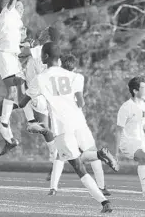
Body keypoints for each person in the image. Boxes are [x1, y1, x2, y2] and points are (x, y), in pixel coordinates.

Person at [18, 42, 119, 213]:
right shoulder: (75, 76)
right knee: (82, 157)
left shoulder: (41, 78)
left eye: (42, 55)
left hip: (62, 127)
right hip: (79, 122)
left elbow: (22, 103)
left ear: (46, 57)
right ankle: (99, 154)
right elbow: (80, 101)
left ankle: (104, 202)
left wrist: (20, 84)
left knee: (78, 166)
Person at [0, 0, 44, 156]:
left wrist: (31, 44)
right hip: (5, 54)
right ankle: (4, 125)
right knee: (13, 91)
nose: (20, 8)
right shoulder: (7, 13)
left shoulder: (18, 24)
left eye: (22, 7)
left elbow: (23, 45)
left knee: (22, 94)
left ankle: (10, 136)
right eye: (19, 6)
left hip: (12, 56)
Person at [47, 54, 111, 197]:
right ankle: (102, 186)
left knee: (60, 156)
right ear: (74, 66)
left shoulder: (52, 78)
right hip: (78, 121)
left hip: (62, 123)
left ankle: (53, 187)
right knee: (93, 152)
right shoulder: (78, 77)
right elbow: (81, 102)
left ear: (59, 64)